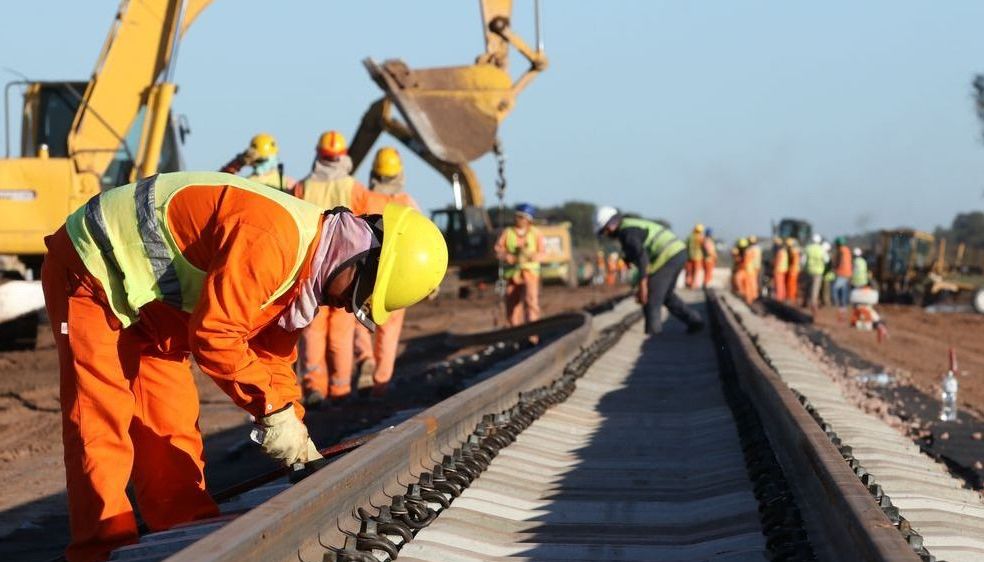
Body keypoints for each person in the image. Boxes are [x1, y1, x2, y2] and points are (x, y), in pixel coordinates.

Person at [40, 171, 447, 562]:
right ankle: (102, 549)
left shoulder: (310, 271)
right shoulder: (274, 240)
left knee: (172, 424)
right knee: (101, 422)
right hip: (90, 270)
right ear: (360, 258)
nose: (345, 307)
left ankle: (183, 533)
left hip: (152, 307)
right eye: (357, 296)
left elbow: (271, 359)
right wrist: (272, 412)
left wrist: (297, 439)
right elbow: (215, 336)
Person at [293, 131, 370, 405]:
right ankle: (340, 389)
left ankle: (314, 388)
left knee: (311, 332)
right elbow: (369, 227)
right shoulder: (355, 188)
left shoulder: (303, 187)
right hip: (347, 272)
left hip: (311, 269)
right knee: (341, 334)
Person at [354, 147, 421, 397]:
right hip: (397, 276)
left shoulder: (364, 198)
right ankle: (381, 383)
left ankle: (365, 358)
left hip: (368, 271)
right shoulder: (407, 204)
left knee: (360, 319)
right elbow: (419, 242)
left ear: (374, 172)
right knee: (389, 330)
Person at [594, 206, 703, 335]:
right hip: (677, 252)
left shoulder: (627, 233)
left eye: (604, 231)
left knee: (651, 296)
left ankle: (654, 334)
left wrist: (643, 284)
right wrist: (628, 260)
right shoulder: (628, 226)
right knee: (666, 295)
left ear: (610, 225)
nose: (606, 235)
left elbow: (642, 258)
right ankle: (695, 321)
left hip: (669, 254)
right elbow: (637, 251)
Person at [494, 203, 545, 337]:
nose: (518, 220)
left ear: (529, 219)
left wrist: (531, 256)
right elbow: (498, 250)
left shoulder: (536, 233)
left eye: (521, 217)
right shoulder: (508, 232)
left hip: (530, 273)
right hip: (512, 274)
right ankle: (514, 335)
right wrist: (507, 256)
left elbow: (543, 253)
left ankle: (533, 335)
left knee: (531, 303)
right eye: (517, 217)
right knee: (512, 305)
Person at [219, 133, 296, 192]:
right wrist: (237, 163)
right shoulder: (246, 183)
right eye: (260, 160)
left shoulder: (288, 184)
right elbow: (219, 183)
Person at [804, 234, 826, 313]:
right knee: (815, 288)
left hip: (809, 270)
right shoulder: (821, 249)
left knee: (807, 287)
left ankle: (805, 302)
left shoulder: (808, 248)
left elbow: (803, 260)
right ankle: (813, 303)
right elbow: (826, 259)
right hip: (818, 271)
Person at [832, 237, 853, 311]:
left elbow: (839, 261)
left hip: (842, 272)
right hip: (848, 273)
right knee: (844, 289)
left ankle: (836, 303)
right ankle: (844, 305)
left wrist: (834, 268)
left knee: (835, 288)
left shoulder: (840, 251)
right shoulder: (847, 250)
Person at [685, 224, 705, 289]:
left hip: (689, 256)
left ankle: (688, 283)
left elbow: (685, 246)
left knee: (689, 271)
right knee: (695, 271)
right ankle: (693, 284)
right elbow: (704, 248)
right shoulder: (701, 237)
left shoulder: (690, 237)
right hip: (698, 257)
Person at [745, 235, 762, 301]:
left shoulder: (750, 249)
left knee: (749, 283)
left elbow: (748, 259)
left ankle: (749, 297)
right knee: (754, 282)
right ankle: (754, 295)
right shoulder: (758, 249)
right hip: (755, 267)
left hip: (750, 268)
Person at [772, 237, 789, 302]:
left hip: (779, 269)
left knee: (779, 284)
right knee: (782, 283)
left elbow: (777, 261)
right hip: (783, 269)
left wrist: (774, 267)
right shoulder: (784, 251)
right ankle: (782, 296)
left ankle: (779, 297)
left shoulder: (780, 252)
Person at [786, 237, 802, 304]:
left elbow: (792, 261)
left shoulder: (793, 251)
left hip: (793, 270)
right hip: (795, 269)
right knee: (793, 284)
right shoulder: (797, 251)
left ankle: (791, 298)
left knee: (791, 284)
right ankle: (793, 297)